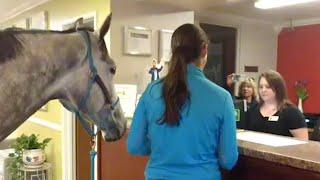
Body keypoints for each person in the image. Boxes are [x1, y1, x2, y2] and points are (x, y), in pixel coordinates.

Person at [127, 23, 238, 179]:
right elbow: (228, 160)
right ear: (204, 49)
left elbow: (135, 146)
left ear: (173, 51)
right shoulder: (222, 97)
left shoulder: (151, 91)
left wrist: (161, 150)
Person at [245, 70, 308, 140]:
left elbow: (304, 143)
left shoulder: (292, 112)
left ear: (278, 88)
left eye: (268, 87)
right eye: (261, 87)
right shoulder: (253, 108)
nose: (263, 90)